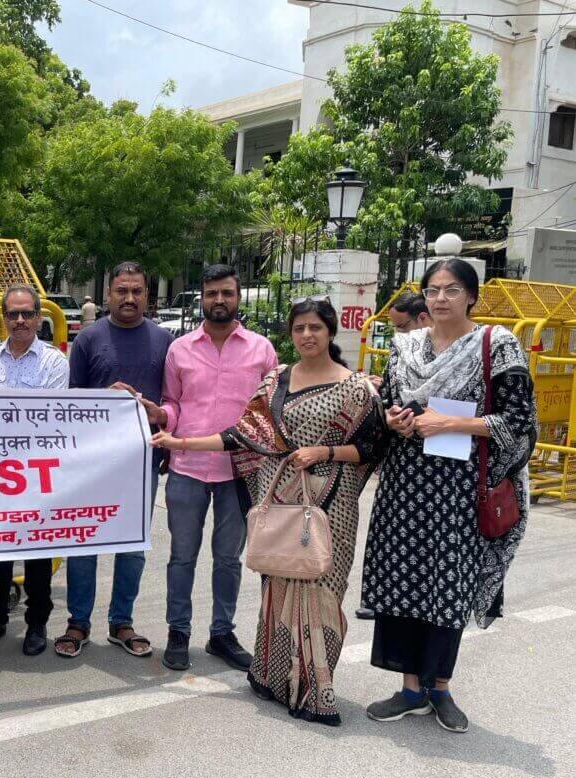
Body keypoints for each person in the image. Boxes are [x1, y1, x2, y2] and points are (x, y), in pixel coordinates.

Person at [151, 298, 385, 726]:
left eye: (315, 327)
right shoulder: (276, 380)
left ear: (330, 332)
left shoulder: (357, 388)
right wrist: (180, 443)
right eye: (299, 328)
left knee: (322, 589)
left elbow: (373, 447)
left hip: (331, 505)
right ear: (291, 334)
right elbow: (240, 436)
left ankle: (315, 691)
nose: (307, 335)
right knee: (277, 587)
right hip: (279, 501)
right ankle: (271, 678)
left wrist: (324, 452)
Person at [361, 259, 536, 733]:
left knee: (448, 582)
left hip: (459, 487)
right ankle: (409, 688)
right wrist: (393, 418)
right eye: (433, 290)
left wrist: (451, 423)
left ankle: (440, 687)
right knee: (403, 579)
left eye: (452, 290)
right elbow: (388, 399)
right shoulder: (405, 345)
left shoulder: (496, 344)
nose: (441, 298)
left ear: (471, 297)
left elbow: (518, 420)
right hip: (405, 483)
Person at [143, 264, 278, 672]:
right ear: (201, 299)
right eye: (212, 293)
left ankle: (222, 633)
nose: (220, 300)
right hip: (188, 468)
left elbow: (268, 409)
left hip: (240, 470)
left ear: (238, 297)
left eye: (227, 293)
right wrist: (161, 415)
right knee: (182, 556)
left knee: (228, 559)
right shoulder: (180, 349)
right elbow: (173, 402)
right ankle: (178, 631)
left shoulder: (261, 350)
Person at [56, 261, 173, 659]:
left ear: (147, 296)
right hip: (92, 462)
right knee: (82, 541)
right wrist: (103, 397)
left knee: (133, 546)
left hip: (141, 461)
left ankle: (122, 621)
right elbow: (71, 399)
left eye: (136, 291)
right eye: (121, 290)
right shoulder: (88, 338)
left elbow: (172, 401)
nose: (129, 297)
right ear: (108, 295)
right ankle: (78, 622)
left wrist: (166, 440)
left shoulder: (164, 340)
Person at [0, 283, 70, 654]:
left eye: (27, 313)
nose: (20, 320)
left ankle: (37, 623)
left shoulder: (54, 362)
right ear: (3, 317)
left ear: (39, 317)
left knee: (38, 555)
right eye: (12, 313)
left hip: (35, 472)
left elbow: (48, 419)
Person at [355, 289, 434, 620]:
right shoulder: (399, 354)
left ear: (423, 319)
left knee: (428, 540)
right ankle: (382, 598)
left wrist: (436, 420)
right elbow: (386, 399)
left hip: (441, 466)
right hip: (400, 461)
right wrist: (388, 414)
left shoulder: (454, 356)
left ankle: (423, 603)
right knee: (388, 533)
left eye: (402, 327)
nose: (397, 335)